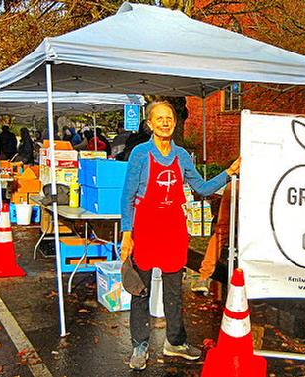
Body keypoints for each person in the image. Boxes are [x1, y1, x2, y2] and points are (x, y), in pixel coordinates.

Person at [120, 101, 240, 371]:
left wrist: (229, 172)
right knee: (141, 290)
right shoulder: (140, 153)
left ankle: (175, 341)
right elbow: (127, 197)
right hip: (146, 226)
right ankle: (140, 344)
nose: (165, 122)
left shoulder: (182, 156)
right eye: (159, 118)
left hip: (174, 227)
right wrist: (128, 234)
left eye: (169, 118)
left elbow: (202, 187)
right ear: (149, 124)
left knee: (174, 290)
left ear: (174, 122)